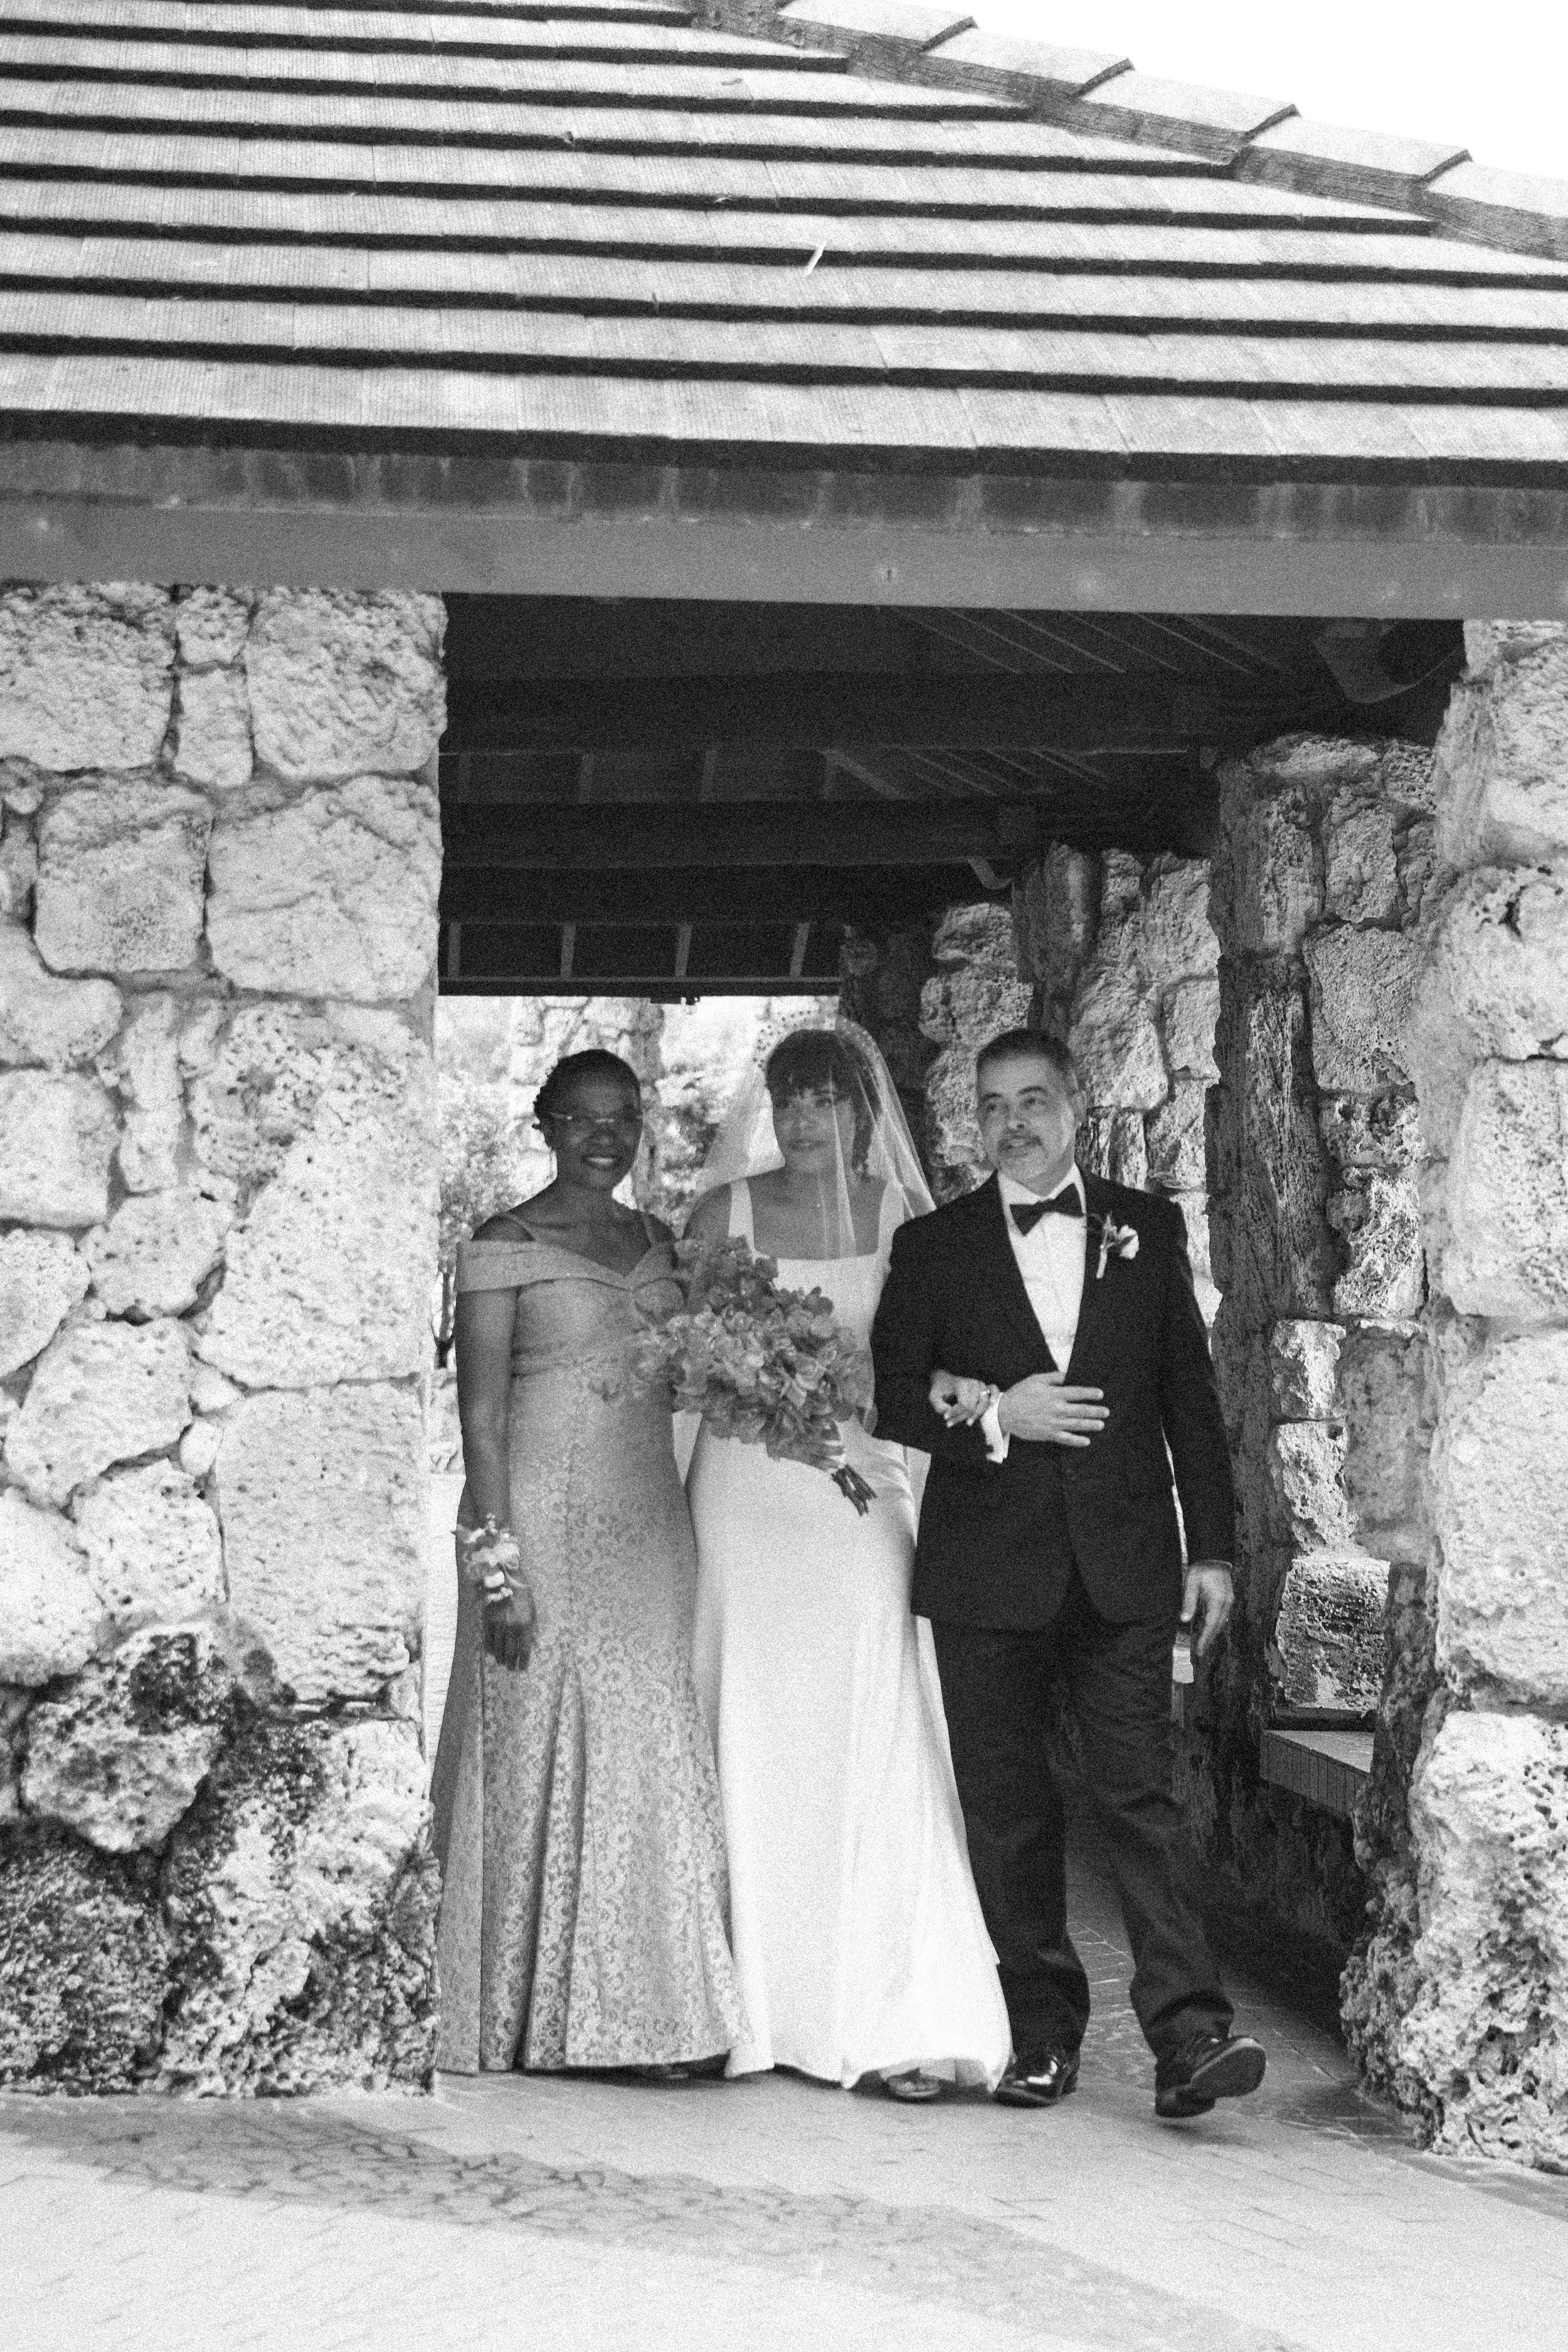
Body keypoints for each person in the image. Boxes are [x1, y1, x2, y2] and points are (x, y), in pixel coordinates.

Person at [870, 1028, 1266, 2121]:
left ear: (1075, 1105)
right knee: (1010, 1808)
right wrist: (1000, 1410)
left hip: (1127, 1564)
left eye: (1033, 1099)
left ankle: (1192, 2035)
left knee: (1143, 1794)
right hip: (985, 1571)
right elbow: (894, 1394)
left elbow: (1192, 1396)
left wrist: (1216, 1547)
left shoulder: (1147, 1226)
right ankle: (1040, 2034)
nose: (1013, 1122)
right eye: (993, 1104)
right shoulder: (934, 1244)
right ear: (974, 1118)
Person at [686, 1025, 1011, 2100]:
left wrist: (916, 1392)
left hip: (859, 1486)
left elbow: (933, 1361)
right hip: (743, 1491)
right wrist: (742, 1375)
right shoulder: (716, 1216)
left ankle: (896, 2007)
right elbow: (682, 1362)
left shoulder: (904, 1221)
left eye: (827, 1099)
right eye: (790, 1100)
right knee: (741, 1716)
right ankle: (729, 2005)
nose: (806, 1119)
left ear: (864, 1109)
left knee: (878, 1718)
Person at [431, 1048, 744, 2077]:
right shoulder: (500, 1245)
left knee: (650, 1742)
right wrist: (496, 1563)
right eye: (582, 1117)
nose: (604, 1135)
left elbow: (705, 1380)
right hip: (542, 1530)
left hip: (651, 1525)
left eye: (623, 1116)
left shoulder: (667, 1244)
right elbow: (479, 1416)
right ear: (546, 1123)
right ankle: (529, 2015)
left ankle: (647, 2016)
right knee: (533, 1744)